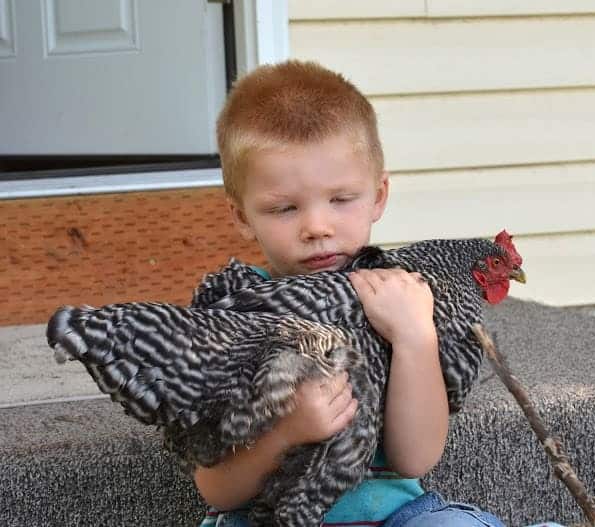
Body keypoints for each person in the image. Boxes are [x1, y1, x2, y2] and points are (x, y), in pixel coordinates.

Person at [193, 60, 505, 527]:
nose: (317, 227)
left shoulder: (402, 296)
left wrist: (413, 336)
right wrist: (285, 433)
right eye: (284, 208)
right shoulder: (230, 314)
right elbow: (216, 488)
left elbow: (415, 458)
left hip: (394, 517)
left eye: (341, 200)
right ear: (240, 215)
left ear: (378, 195)